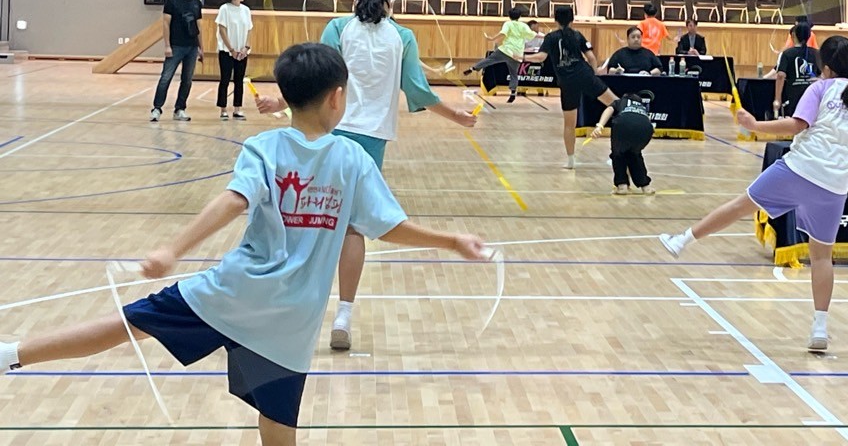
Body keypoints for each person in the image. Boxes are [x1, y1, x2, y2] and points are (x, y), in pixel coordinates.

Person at [0, 42, 487, 446]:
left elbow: (234, 200)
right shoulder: (354, 159)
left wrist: (174, 248)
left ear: (288, 95)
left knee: (128, 324)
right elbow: (387, 225)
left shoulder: (265, 147)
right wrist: (452, 240)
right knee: (278, 425)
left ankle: (13, 353)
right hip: (292, 319)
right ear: (338, 97)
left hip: (234, 293)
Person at [659, 35, 848, 351]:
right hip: (833, 187)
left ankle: (682, 240)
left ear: (826, 67)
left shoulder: (820, 88)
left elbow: (795, 126)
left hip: (797, 170)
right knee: (821, 257)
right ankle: (820, 328)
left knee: (740, 206)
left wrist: (754, 125)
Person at [256, 0, 477, 352]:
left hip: (331, 131)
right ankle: (343, 314)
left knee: (308, 218)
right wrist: (455, 115)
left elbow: (315, 79)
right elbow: (417, 89)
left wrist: (280, 102)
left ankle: (286, 305)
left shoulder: (338, 28)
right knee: (353, 227)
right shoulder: (402, 37)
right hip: (372, 139)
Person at [522, 5, 620, 169]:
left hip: (567, 82)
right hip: (585, 75)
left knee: (569, 124)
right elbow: (591, 58)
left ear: (555, 20)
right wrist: (594, 75)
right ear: (572, 19)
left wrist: (522, 57)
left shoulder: (550, 37)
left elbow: (540, 58)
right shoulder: (577, 35)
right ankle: (633, 129)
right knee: (617, 103)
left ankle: (570, 161)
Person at [150, 0, 204, 123]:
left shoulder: (196, 3)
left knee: (187, 80)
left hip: (192, 47)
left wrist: (201, 47)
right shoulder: (172, 2)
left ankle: (180, 109)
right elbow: (166, 24)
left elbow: (199, 27)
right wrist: (167, 45)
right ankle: (157, 108)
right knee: (166, 78)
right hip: (176, 46)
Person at [464, 7, 540, 103]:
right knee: (514, 74)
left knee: (489, 60)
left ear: (509, 16)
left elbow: (503, 33)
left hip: (506, 51)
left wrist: (492, 38)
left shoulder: (508, 24)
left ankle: (473, 68)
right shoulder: (523, 25)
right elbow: (534, 34)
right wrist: (546, 36)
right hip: (517, 54)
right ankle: (513, 92)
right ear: (519, 16)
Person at [592, 92, 656, 195]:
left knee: (618, 154)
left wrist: (599, 126)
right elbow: (647, 121)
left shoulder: (620, 102)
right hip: (646, 129)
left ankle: (622, 185)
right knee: (635, 155)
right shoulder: (642, 107)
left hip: (623, 125)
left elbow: (609, 109)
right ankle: (646, 186)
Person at [216, 0, 253, 121]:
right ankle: (223, 109)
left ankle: (237, 109)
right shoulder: (224, 9)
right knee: (225, 80)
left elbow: (249, 29)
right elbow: (222, 29)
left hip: (242, 52)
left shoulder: (246, 10)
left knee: (239, 80)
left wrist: (246, 47)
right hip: (227, 51)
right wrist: (231, 49)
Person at [767, 21, 819, 117]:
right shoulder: (817, 53)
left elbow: (780, 75)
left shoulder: (787, 54)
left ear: (793, 35)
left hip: (794, 95)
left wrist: (777, 99)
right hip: (813, 94)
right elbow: (823, 74)